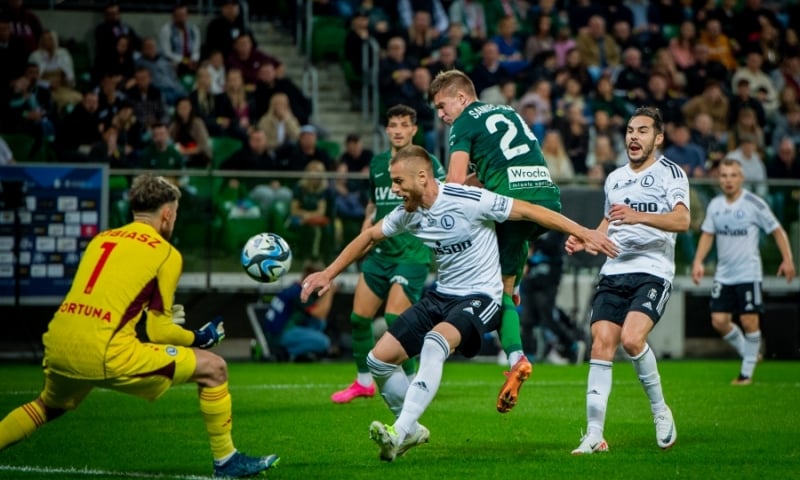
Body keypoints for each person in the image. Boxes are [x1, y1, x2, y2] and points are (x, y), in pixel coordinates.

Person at [300, 146, 618, 462]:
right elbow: (369, 236)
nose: (394, 190)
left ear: (422, 176)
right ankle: (409, 429)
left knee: (434, 343)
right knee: (378, 361)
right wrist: (328, 273)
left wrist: (583, 231)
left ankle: (398, 431)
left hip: (482, 297)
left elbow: (529, 211)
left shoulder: (468, 200)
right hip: (442, 295)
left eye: (398, 182)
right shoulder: (408, 214)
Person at [0, 174, 278, 477]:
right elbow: (159, 332)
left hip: (58, 343)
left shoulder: (101, 240)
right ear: (167, 214)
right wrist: (200, 337)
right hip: (106, 351)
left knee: (45, 407)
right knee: (214, 368)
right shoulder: (166, 253)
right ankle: (227, 461)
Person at [429, 69, 562, 413]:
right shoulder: (506, 110)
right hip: (545, 198)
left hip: (512, 205)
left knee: (497, 293)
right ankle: (513, 293)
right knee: (510, 286)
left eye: (443, 107)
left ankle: (516, 358)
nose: (442, 116)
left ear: (461, 97)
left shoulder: (463, 124)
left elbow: (457, 183)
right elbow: (495, 166)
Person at [566, 107, 689, 455]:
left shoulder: (671, 173)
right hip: (614, 270)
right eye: (631, 130)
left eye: (643, 131)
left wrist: (639, 216)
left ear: (658, 138)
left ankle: (659, 410)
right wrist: (587, 238)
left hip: (652, 270)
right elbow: (610, 223)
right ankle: (594, 434)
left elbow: (682, 220)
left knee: (633, 340)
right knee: (601, 343)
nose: (634, 137)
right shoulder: (615, 178)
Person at [329, 104, 445, 404]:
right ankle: (363, 382)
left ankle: (412, 379)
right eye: (392, 124)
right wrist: (368, 220)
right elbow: (374, 201)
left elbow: (443, 195)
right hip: (381, 251)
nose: (397, 130)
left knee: (395, 316)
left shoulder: (427, 162)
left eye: (403, 124)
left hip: (412, 252)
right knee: (358, 318)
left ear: (413, 129)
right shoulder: (379, 164)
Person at [691, 159, 795, 385]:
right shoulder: (716, 205)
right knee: (718, 321)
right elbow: (708, 234)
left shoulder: (753, 204)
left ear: (742, 178)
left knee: (749, 321)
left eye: (733, 175)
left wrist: (787, 259)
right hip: (724, 274)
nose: (728, 180)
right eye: (724, 175)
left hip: (748, 273)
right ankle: (750, 353)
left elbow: (777, 230)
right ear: (719, 179)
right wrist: (698, 262)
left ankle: (745, 374)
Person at [260, 261, 335, 361]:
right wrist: (330, 291)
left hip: (275, 332)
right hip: (279, 335)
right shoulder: (299, 292)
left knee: (319, 324)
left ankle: (297, 352)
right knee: (324, 342)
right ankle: (286, 352)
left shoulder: (294, 288)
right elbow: (320, 314)